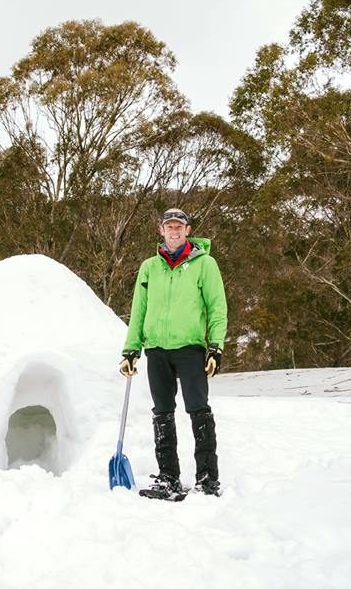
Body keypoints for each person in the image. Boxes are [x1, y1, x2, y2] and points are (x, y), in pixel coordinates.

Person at [119, 208, 227, 499]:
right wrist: (131, 350)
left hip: (190, 348)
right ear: (161, 230)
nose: (174, 231)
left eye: (180, 226)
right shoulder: (149, 268)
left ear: (188, 230)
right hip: (156, 350)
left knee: (198, 410)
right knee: (162, 413)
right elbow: (138, 311)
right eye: (169, 226)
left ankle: (207, 478)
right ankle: (168, 477)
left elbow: (217, 308)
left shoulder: (206, 265)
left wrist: (216, 347)